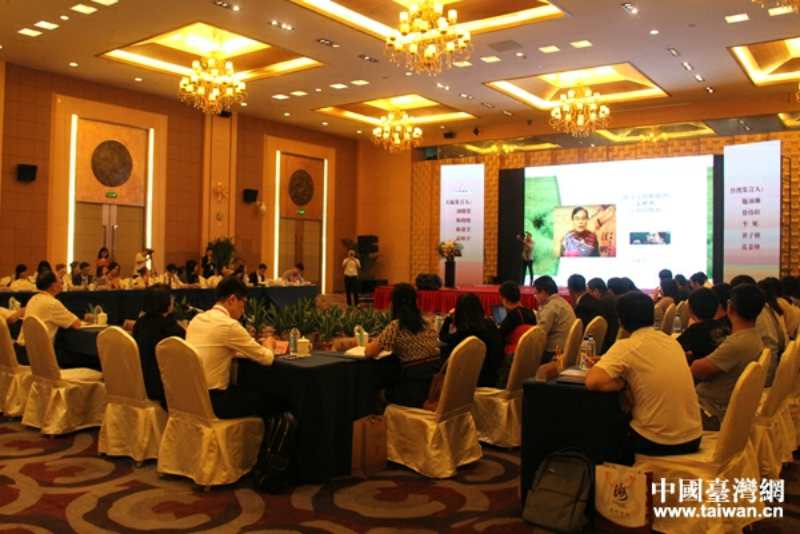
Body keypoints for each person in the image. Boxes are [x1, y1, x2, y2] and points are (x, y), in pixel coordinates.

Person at [586, 291, 702, 459]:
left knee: (600, 424)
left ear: (621, 321)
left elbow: (593, 382)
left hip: (656, 440)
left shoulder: (627, 346)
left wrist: (623, 382)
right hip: (693, 437)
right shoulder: (671, 341)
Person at [186, 276, 286, 423]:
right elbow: (267, 358)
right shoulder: (228, 325)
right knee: (277, 399)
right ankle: (268, 438)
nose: (243, 310)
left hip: (192, 398)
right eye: (243, 303)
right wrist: (269, 343)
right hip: (215, 402)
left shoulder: (197, 319)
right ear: (232, 299)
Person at [692, 283, 764, 430]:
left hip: (709, 411)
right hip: (722, 408)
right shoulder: (754, 338)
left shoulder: (737, 344)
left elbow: (696, 370)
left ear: (730, 307)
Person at [365, 283, 439, 407]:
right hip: (432, 389)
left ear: (394, 303)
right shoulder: (428, 324)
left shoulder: (396, 326)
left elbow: (369, 352)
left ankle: (385, 418)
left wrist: (374, 341)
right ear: (416, 302)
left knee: (376, 389)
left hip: (410, 390)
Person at [133, 284, 185, 407]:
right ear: (165, 302)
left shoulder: (140, 323)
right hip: (161, 387)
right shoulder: (169, 327)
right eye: (171, 298)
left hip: (140, 381)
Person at [439, 293, 504, 387]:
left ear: (459, 312)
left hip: (468, 383)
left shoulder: (463, 333)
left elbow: (443, 337)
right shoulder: (490, 325)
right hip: (492, 379)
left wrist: (449, 317)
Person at [17, 270, 81, 346]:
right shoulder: (52, 303)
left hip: (23, 348)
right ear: (53, 286)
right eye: (59, 279)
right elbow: (77, 324)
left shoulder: (33, 299)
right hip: (40, 351)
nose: (62, 281)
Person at [677, 288, 730, 363]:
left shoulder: (695, 330)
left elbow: (674, 347)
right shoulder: (723, 325)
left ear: (691, 309)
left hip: (703, 368)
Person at [533, 275, 576, 362]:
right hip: (568, 349)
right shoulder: (561, 301)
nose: (534, 296)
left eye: (536, 293)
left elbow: (540, 334)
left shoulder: (550, 306)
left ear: (544, 292)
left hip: (554, 352)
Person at [756, 277, 788, 386]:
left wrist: (766, 381)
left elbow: (771, 346)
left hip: (769, 376)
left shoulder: (762, 312)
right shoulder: (771, 308)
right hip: (779, 366)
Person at [497, 280, 537, 348]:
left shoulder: (512, 317)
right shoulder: (531, 313)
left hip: (515, 352)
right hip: (531, 349)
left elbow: (499, 336)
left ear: (505, 300)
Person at [587, 277, 619, 354]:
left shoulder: (602, 303)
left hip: (607, 343)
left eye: (590, 292)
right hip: (615, 338)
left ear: (596, 291)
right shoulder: (612, 298)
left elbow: (595, 326)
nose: (589, 296)